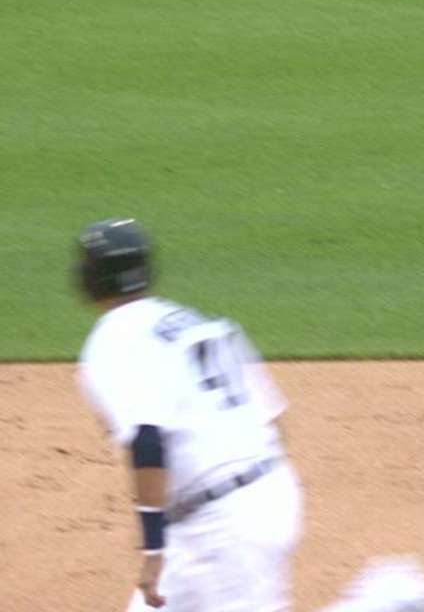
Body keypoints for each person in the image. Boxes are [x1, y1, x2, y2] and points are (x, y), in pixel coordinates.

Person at [74, 218, 304, 609]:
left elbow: (147, 441)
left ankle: (392, 604)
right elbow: (272, 421)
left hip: (223, 528)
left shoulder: (112, 339)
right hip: (244, 504)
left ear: (91, 278)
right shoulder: (197, 322)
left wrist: (153, 546)